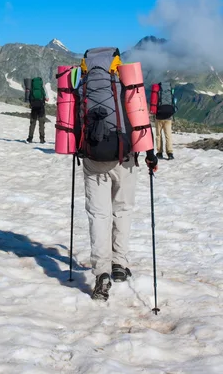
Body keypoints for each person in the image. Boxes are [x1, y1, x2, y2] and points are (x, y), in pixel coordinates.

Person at [77, 47, 158, 301]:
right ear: (116, 61)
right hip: (125, 158)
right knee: (122, 210)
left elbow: (74, 121)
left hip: (93, 159)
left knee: (98, 215)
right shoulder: (126, 80)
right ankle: (119, 265)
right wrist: (150, 154)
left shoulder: (84, 84)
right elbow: (140, 120)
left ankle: (101, 273)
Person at [154, 81, 176, 160]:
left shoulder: (157, 90)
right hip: (168, 117)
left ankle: (159, 152)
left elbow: (154, 102)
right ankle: (170, 153)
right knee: (168, 135)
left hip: (159, 116)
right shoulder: (170, 90)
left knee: (158, 135)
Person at [27, 77, 49, 143]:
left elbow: (29, 97)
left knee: (32, 123)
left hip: (34, 107)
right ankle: (42, 139)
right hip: (41, 107)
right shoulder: (42, 88)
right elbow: (47, 98)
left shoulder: (32, 88)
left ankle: (30, 138)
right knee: (41, 123)